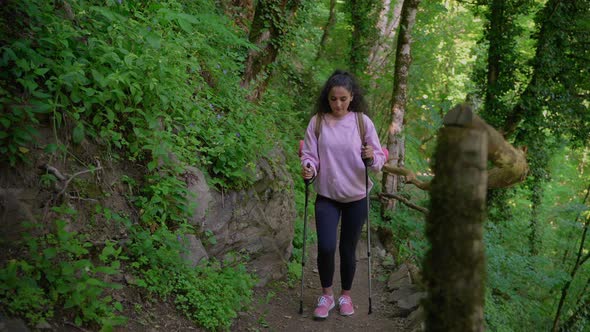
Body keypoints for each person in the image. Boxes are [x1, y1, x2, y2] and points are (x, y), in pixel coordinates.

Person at [300, 70, 385, 319]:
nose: (338, 104)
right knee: (326, 247)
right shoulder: (317, 122)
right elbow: (310, 156)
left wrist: (371, 157)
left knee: (348, 249)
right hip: (327, 195)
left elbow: (379, 158)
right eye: (333, 99)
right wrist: (308, 168)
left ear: (352, 97)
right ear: (327, 98)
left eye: (343, 99)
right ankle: (326, 295)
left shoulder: (362, 122)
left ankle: (345, 295)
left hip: (356, 197)